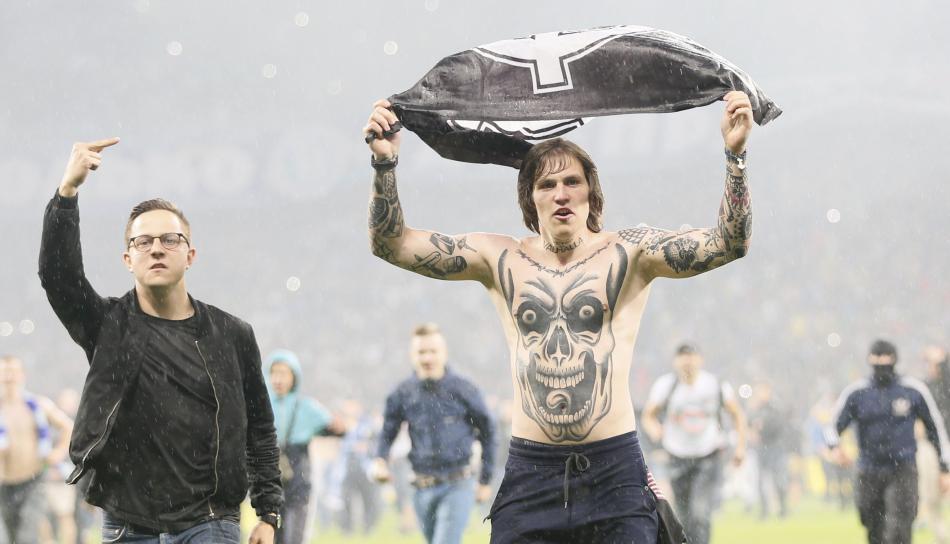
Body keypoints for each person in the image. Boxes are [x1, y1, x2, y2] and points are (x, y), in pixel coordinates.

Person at [364, 88, 755, 543]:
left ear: (591, 192)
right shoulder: (500, 257)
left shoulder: (632, 252)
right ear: (531, 199)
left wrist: (735, 157)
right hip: (531, 477)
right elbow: (391, 244)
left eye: (572, 181)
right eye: (546, 185)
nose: (561, 193)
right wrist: (385, 164)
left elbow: (729, 243)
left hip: (615, 474)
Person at [38, 138, 282, 543]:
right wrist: (67, 192)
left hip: (210, 522)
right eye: (143, 242)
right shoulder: (108, 326)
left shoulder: (232, 334)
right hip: (127, 525)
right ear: (128, 259)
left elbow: (260, 427)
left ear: (190, 255)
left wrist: (268, 512)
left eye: (170, 240)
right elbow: (58, 277)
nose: (156, 249)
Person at [372, 323, 496, 544]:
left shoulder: (463, 389)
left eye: (433, 351)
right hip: (421, 488)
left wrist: (485, 480)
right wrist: (381, 460)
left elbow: (488, 431)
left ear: (444, 353)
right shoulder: (403, 392)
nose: (427, 357)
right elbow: (388, 431)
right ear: (412, 355)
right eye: (421, 352)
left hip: (458, 483)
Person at [825, 339, 950, 544]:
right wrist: (834, 447)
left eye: (886, 361)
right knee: (873, 528)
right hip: (869, 470)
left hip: (903, 469)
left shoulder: (912, 390)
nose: (882, 366)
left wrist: (944, 468)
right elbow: (832, 427)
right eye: (877, 361)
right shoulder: (857, 393)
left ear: (894, 360)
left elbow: (936, 429)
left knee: (899, 529)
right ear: (869, 361)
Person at [640, 344, 747, 544]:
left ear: (700, 360)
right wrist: (655, 429)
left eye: (691, 357)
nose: (687, 362)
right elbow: (648, 415)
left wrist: (741, 448)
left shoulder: (714, 385)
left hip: (707, 456)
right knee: (683, 516)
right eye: (683, 357)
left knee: (700, 512)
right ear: (675, 362)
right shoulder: (666, 386)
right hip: (676, 457)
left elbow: (738, 414)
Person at [265, 349, 344, 544]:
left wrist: (338, 427)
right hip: (270, 485)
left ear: (294, 377)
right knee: (274, 538)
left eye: (283, 373)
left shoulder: (306, 407)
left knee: (295, 537)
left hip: (299, 480)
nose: (278, 379)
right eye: (274, 373)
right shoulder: (261, 406)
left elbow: (334, 427)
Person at [0, 355, 73, 544]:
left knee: (27, 537)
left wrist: (58, 454)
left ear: (22, 375)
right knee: (11, 537)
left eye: (13, 372)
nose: (9, 377)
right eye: (4, 372)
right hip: (4, 485)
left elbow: (67, 426)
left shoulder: (38, 405)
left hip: (33, 481)